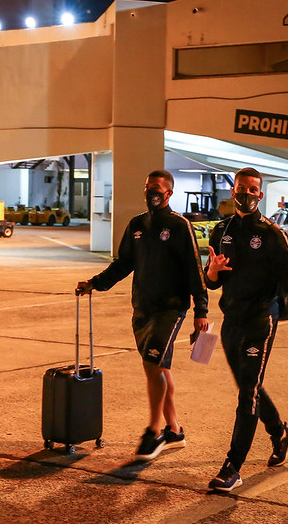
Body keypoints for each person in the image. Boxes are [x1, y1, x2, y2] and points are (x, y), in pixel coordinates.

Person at [204, 167, 288, 492]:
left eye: (252, 189)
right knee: (250, 385)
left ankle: (232, 467)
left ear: (260, 194)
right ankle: (280, 432)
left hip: (261, 319)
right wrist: (212, 272)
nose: (246, 194)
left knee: (247, 392)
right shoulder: (222, 230)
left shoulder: (271, 234)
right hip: (231, 320)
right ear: (233, 191)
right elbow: (211, 282)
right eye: (241, 188)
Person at [76, 169, 209, 461]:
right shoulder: (137, 225)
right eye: (148, 187)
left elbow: (194, 269)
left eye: (157, 188)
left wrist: (201, 310)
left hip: (170, 309)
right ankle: (175, 429)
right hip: (142, 309)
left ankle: (154, 431)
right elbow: (123, 263)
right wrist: (95, 283)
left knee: (153, 362)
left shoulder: (179, 226)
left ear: (169, 193)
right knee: (158, 369)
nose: (151, 192)